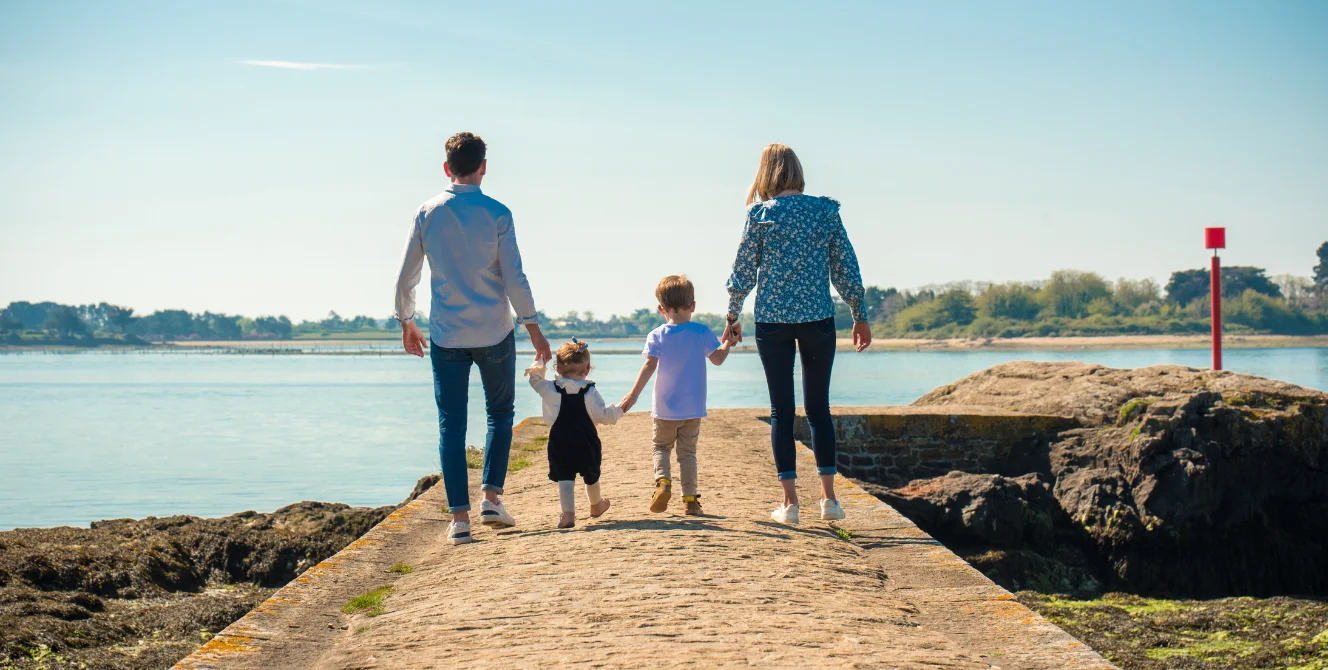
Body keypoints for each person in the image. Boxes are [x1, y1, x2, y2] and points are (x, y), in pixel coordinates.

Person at [395, 132, 552, 545]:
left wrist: (406, 321)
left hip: (447, 334)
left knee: (452, 423)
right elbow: (514, 277)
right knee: (500, 414)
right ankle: (491, 498)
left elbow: (407, 275)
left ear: (447, 168)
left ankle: (459, 521)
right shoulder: (498, 213)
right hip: (495, 331)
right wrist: (535, 330)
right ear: (483, 167)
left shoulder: (427, 212)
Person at [723, 143, 871, 525]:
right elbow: (846, 268)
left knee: (781, 411)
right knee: (819, 409)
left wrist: (732, 314)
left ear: (766, 173)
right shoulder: (825, 212)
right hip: (819, 320)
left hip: (772, 321)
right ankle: (830, 500)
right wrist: (859, 314)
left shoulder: (760, 215)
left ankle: (790, 505)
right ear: (797, 171)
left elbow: (743, 271)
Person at [621, 275, 733, 516]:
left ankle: (662, 483)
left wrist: (633, 394)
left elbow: (649, 366)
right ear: (692, 305)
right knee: (688, 454)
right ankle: (690, 501)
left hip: (664, 408)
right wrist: (728, 343)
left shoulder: (657, 335)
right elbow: (718, 359)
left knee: (661, 447)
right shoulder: (701, 331)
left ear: (661, 308)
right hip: (693, 408)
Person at [526, 340, 623, 528]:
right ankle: (596, 505)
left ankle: (568, 515)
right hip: (586, 440)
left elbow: (534, 379)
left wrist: (539, 362)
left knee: (565, 477)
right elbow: (603, 415)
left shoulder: (549, 389)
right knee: (592, 475)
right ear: (587, 369)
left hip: (560, 441)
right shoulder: (590, 391)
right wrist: (619, 410)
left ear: (558, 368)